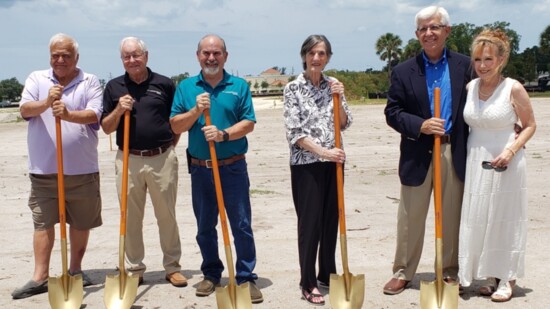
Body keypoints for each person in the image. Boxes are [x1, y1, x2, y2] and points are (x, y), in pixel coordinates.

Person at [383, 6, 473, 295]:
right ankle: (402, 271)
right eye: (423, 29)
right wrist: (420, 124)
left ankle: (449, 271)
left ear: (447, 30)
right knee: (410, 216)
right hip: (417, 152)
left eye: (434, 27)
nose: (428, 33)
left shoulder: (466, 66)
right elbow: (392, 111)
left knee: (450, 214)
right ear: (416, 34)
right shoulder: (403, 71)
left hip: (452, 149)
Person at [169, 34, 263, 303]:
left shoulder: (239, 85)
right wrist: (196, 112)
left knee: (241, 224)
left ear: (225, 56)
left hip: (232, 167)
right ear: (198, 55)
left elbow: (248, 123)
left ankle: (245, 278)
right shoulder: (186, 87)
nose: (211, 58)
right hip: (201, 169)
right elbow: (176, 126)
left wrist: (222, 135)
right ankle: (211, 274)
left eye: (217, 53)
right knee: (205, 226)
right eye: (206, 53)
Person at [12, 33, 103, 299]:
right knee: (42, 222)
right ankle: (40, 276)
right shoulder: (36, 79)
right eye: (55, 55)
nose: (60, 60)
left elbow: (94, 114)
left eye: (65, 55)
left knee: (80, 221)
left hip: (82, 169)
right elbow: (25, 109)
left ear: (76, 57)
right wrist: (46, 102)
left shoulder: (90, 81)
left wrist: (67, 114)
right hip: (44, 170)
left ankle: (75, 271)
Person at [101, 37, 186, 287]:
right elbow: (106, 127)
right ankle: (135, 268)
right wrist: (118, 109)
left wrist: (170, 146)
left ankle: (172, 267)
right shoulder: (114, 87)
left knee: (166, 215)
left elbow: (176, 121)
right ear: (122, 60)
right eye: (126, 56)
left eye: (136, 55)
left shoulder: (164, 83)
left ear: (146, 56)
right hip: (128, 159)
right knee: (130, 217)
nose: (132, 60)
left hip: (162, 157)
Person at [458, 29, 536, 302]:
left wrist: (511, 150)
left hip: (507, 162)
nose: (482, 65)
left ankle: (508, 277)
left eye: (488, 59)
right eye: (478, 59)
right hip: (476, 160)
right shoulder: (470, 88)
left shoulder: (513, 87)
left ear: (501, 59)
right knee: (481, 217)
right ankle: (490, 275)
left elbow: (530, 125)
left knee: (504, 219)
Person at [282, 34, 352, 306]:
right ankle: (307, 281)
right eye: (311, 53)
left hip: (334, 163)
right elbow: (295, 132)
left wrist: (340, 96)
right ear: (304, 55)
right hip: (307, 165)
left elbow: (344, 122)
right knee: (310, 225)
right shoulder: (293, 89)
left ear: (328, 57)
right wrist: (323, 152)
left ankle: (326, 272)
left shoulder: (333, 85)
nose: (316, 58)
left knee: (330, 220)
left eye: (321, 53)